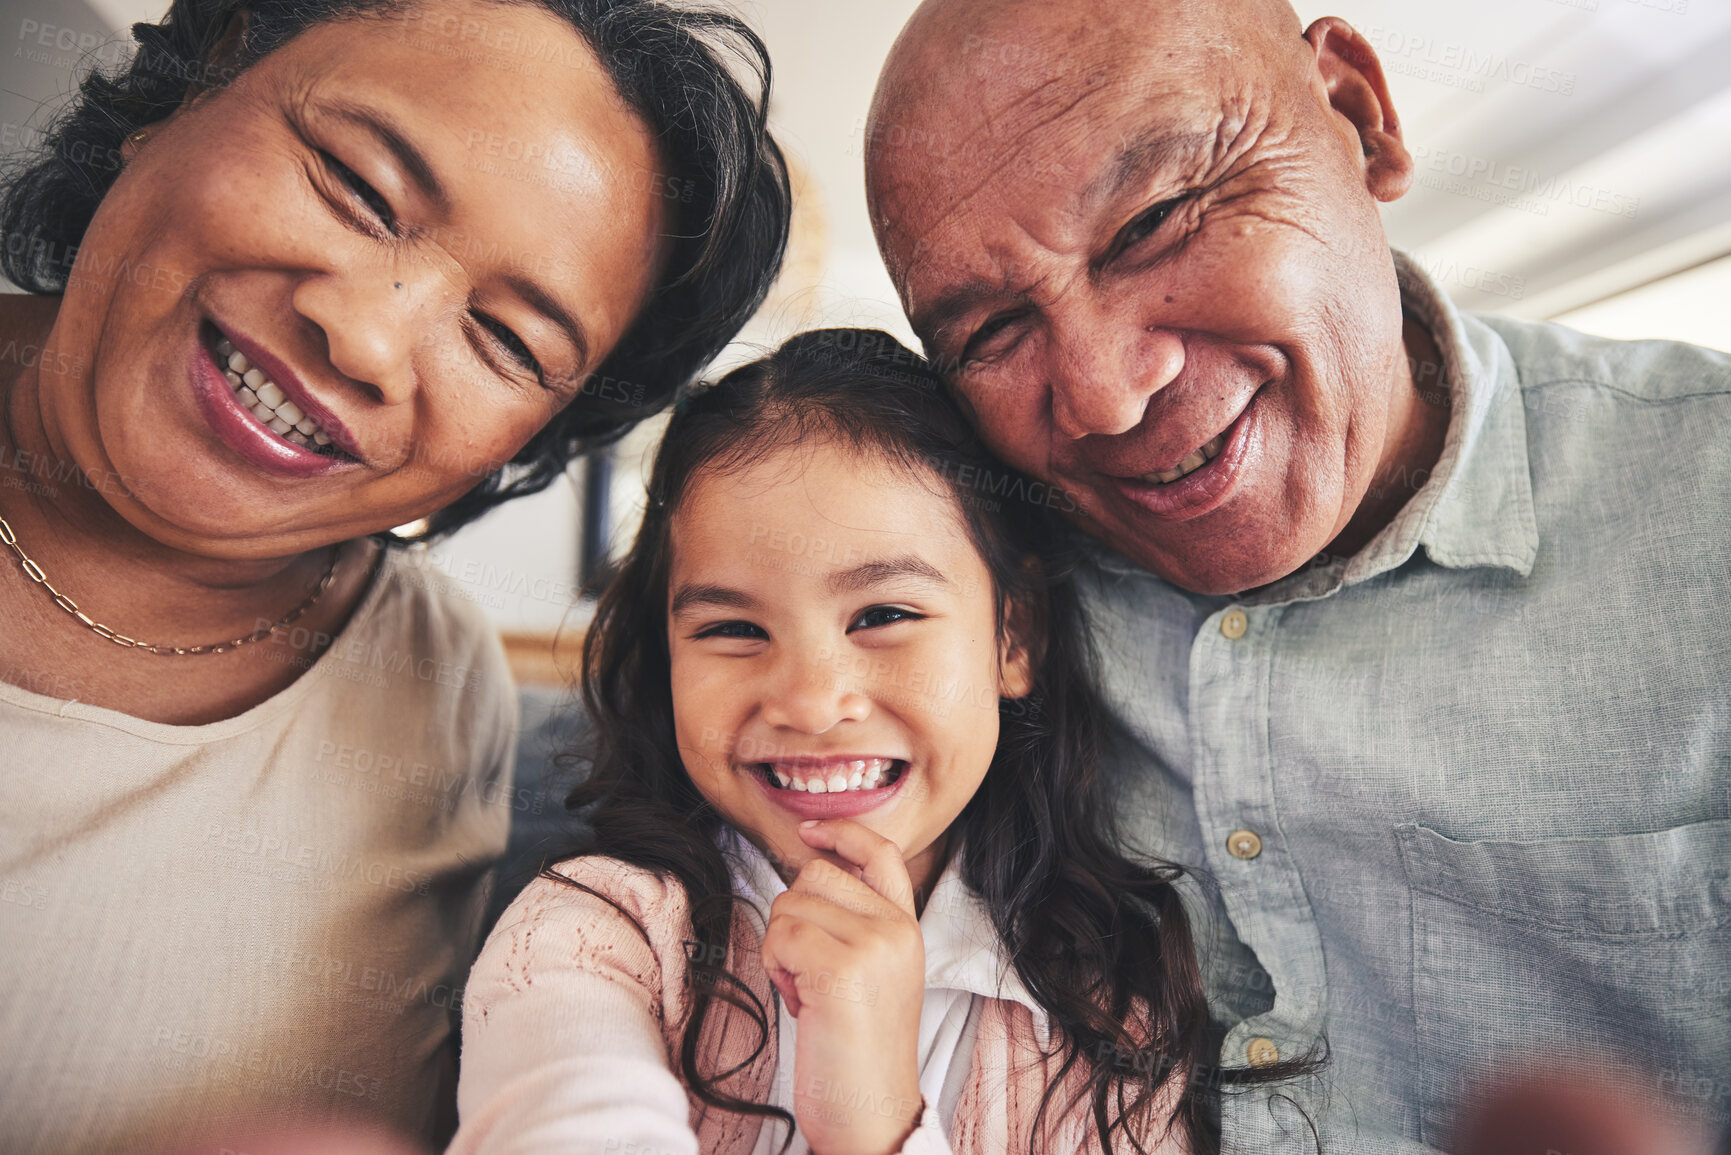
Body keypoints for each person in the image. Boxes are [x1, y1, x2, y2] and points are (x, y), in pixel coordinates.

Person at [862, 1, 1731, 1152]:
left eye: (1155, 220)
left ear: (1357, 116)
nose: (1107, 394)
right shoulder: (973, 587)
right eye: (992, 333)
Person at [0, 0, 789, 1149]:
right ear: (187, 87)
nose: (365, 340)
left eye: (511, 344)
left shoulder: (431, 686)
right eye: (360, 189)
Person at [450, 330, 1315, 1155]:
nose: (811, 702)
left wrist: (875, 1118)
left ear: (1014, 638)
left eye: (884, 615)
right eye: (732, 628)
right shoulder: (592, 934)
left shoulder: (1111, 1011)